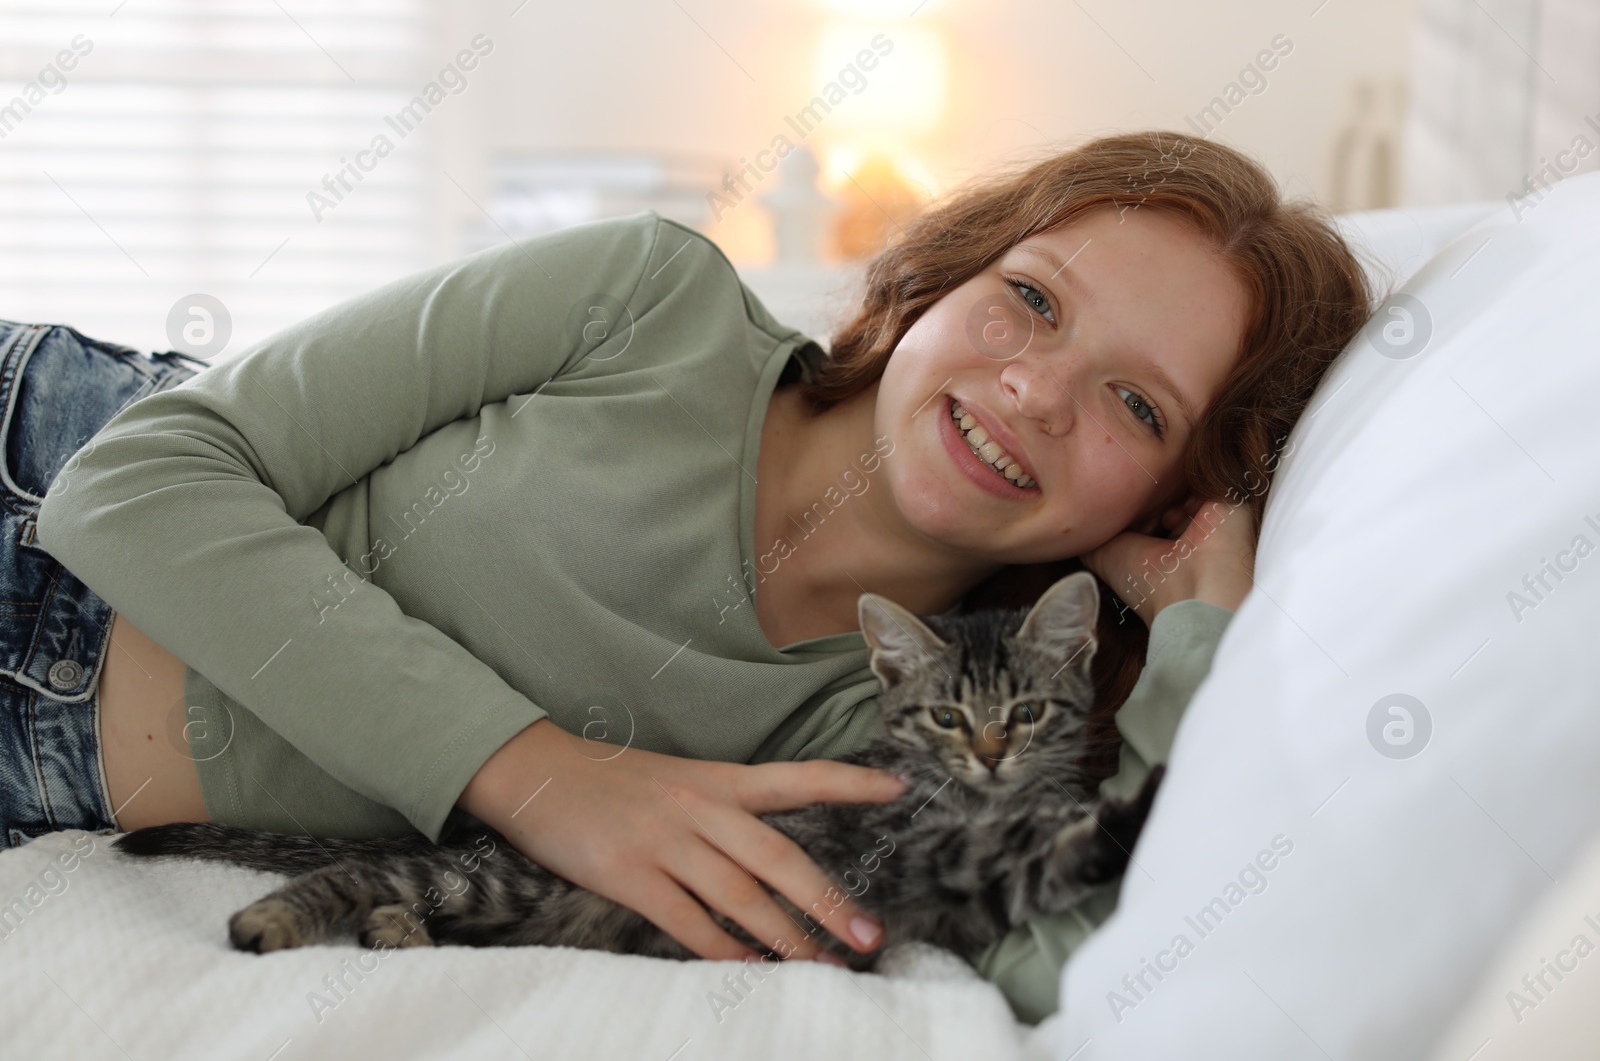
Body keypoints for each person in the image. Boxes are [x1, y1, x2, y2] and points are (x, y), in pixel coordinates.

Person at [18, 130, 1372, 1023]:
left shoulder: (890, 742)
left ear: (1174, 496)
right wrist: (539, 776)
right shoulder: (646, 297)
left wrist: (1199, 638)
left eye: (1136, 406)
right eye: (1031, 298)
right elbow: (132, 482)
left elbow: (1083, 956)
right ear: (944, 281)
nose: (1033, 389)